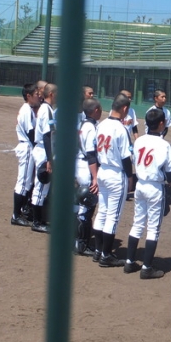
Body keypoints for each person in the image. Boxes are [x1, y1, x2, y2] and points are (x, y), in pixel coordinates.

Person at [123, 108, 171, 279]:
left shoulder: (139, 141)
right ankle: (146, 268)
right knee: (153, 228)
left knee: (137, 223)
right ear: (161, 124)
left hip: (140, 185)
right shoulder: (164, 144)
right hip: (155, 188)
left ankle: (129, 262)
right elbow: (170, 173)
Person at [92, 93, 134, 267]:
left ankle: (98, 251)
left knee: (102, 212)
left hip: (102, 171)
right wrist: (130, 177)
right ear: (124, 108)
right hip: (116, 174)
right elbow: (126, 158)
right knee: (112, 216)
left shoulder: (101, 125)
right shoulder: (121, 129)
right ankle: (106, 255)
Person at [11, 83, 42, 227]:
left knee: (27, 182)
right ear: (28, 96)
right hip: (27, 147)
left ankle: (21, 212)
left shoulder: (28, 109)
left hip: (27, 146)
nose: (39, 96)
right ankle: (16, 215)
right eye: (36, 94)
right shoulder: (26, 110)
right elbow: (31, 133)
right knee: (23, 183)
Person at [74, 98, 102, 256]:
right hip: (86, 167)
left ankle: (78, 241)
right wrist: (95, 177)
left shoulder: (83, 124)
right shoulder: (90, 127)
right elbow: (91, 154)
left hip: (80, 164)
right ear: (96, 110)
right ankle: (82, 245)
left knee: (82, 205)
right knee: (87, 206)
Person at [30, 83, 57, 233]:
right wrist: (49, 159)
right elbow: (47, 136)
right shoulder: (46, 110)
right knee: (41, 187)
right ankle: (36, 222)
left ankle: (39, 220)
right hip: (43, 150)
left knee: (42, 187)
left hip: (43, 149)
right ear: (51, 94)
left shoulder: (47, 109)